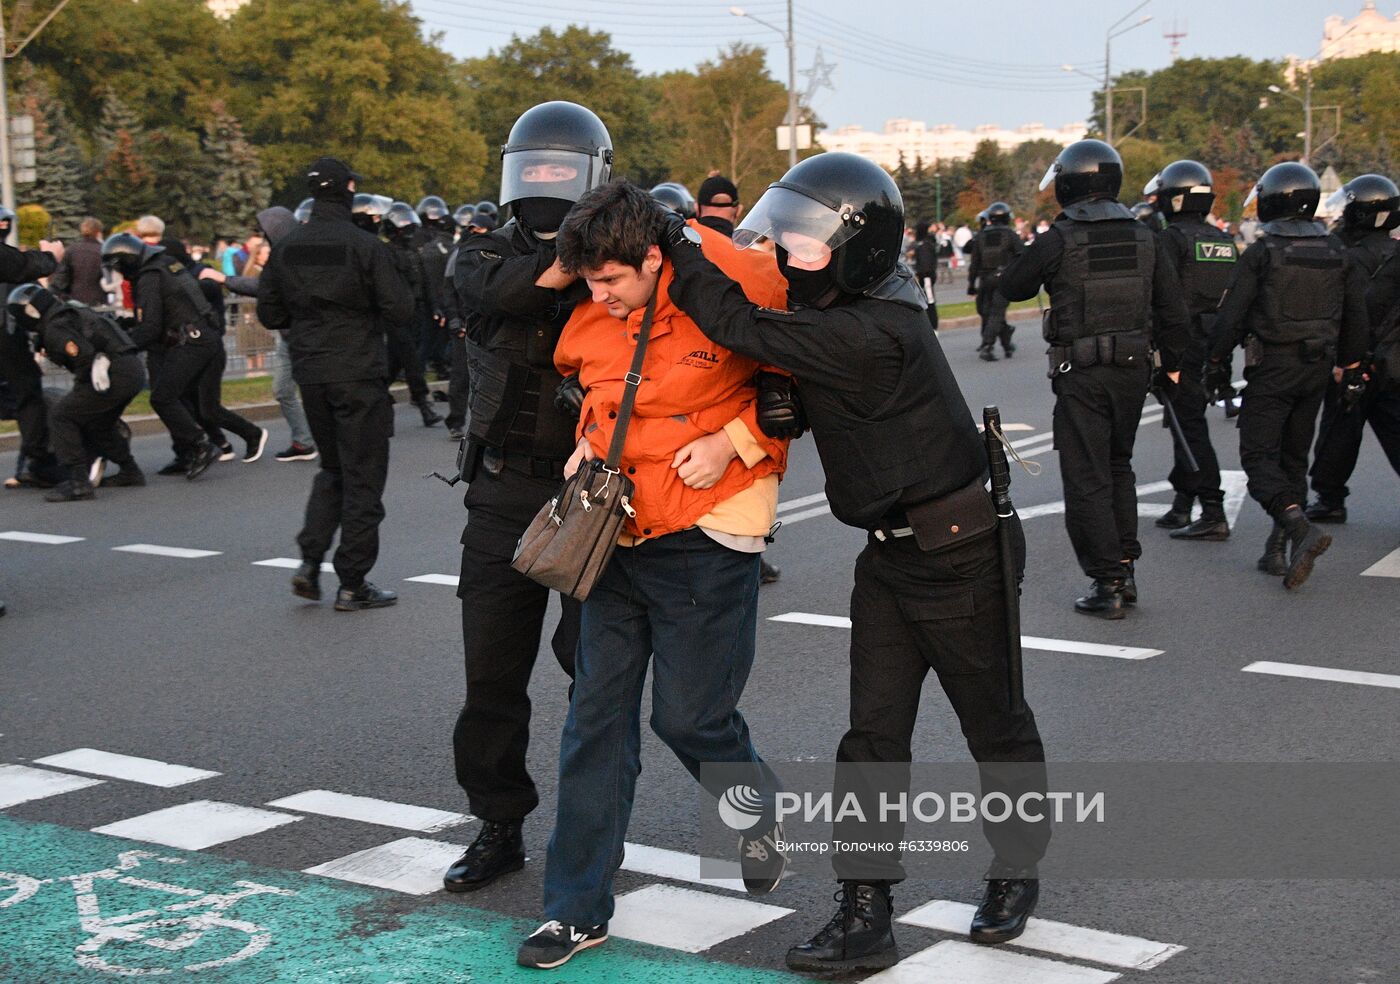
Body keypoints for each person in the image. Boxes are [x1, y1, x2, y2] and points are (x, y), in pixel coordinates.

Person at [663, 152, 1049, 972]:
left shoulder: (877, 329)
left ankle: (1017, 867)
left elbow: (735, 323)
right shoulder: (847, 320)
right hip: (889, 558)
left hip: (963, 553)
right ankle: (865, 911)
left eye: (805, 243)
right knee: (872, 740)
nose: (784, 254)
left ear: (859, 250)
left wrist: (679, 245)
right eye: (785, 235)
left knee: (995, 723)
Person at [516, 180, 792, 970]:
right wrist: (586, 440)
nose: (596, 298)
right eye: (587, 282)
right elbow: (593, 388)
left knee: (690, 719)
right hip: (616, 536)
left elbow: (804, 378)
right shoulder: (589, 318)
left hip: (707, 535)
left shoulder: (736, 286)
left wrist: (735, 443)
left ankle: (758, 815)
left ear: (650, 257)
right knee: (593, 722)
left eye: (609, 280)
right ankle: (575, 909)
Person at [442, 101, 604, 897]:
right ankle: (497, 823)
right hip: (504, 487)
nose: (544, 189)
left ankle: (588, 832)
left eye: (561, 175)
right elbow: (512, 292)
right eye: (532, 172)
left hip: (594, 493)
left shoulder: (629, 258)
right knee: (493, 674)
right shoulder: (477, 255)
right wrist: (586, 258)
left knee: (593, 674)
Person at [999, 140, 1190, 618]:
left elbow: (1012, 285)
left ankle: (1108, 582)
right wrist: (1173, 365)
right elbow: (1173, 309)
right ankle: (1125, 566)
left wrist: (1034, 249)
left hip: (1081, 374)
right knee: (1118, 467)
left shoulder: (1060, 238)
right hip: (1132, 371)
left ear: (1070, 182)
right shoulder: (1145, 235)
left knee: (1087, 477)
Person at [257, 156, 411, 611]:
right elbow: (400, 309)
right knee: (363, 478)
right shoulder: (365, 246)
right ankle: (352, 582)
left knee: (332, 470)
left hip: (312, 373)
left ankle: (309, 563)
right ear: (348, 188)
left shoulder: (288, 246)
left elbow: (269, 312)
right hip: (358, 372)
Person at [1205, 162, 1368, 588]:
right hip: (1317, 369)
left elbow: (1231, 316)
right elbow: (1356, 318)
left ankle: (1298, 529)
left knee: (1258, 457)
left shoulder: (1263, 253)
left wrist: (1216, 362)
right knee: (1295, 456)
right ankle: (1277, 551)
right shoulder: (1338, 252)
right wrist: (1351, 367)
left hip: (1273, 366)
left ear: (1273, 200)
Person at [1142, 160, 1237, 540]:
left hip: (1180, 345)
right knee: (1184, 420)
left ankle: (1212, 509)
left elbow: (1162, 301)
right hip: (1215, 344)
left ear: (1174, 199)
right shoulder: (1225, 241)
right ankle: (1183, 503)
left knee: (1189, 426)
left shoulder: (1170, 240)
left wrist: (1164, 355)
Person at [1305, 173, 1400, 522]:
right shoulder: (1395, 251)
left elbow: (1345, 311)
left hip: (1357, 359)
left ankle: (1330, 499)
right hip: (1393, 361)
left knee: (1338, 431)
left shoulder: (1348, 256)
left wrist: (1346, 357)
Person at [100, 233, 229, 480]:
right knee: (176, 396)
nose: (119, 273)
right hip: (198, 337)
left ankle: (200, 444)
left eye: (118, 266)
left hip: (191, 340)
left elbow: (150, 327)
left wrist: (120, 348)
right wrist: (127, 326)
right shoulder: (164, 264)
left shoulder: (150, 276)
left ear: (126, 260)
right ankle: (185, 452)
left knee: (163, 397)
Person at [199, 207, 318, 461]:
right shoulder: (286, 255)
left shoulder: (296, 256)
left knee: (314, 390)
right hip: (291, 336)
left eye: (267, 232)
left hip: (306, 335)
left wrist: (224, 279)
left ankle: (315, 440)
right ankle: (304, 442)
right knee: (284, 390)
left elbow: (264, 287)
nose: (264, 238)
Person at [6, 284, 145, 500]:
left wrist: (81, 387)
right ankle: (130, 471)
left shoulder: (55, 328)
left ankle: (78, 482)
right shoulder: (68, 311)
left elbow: (84, 358)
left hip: (110, 374)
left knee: (61, 416)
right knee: (99, 424)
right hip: (129, 368)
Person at [0, 210, 65, 488]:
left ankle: (31, 462)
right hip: (6, 335)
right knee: (28, 393)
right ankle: (37, 462)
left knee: (23, 395)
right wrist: (51, 256)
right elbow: (20, 265)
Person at [381, 202, 445, 427]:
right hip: (397, 315)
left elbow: (425, 284)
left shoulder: (413, 253)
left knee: (395, 360)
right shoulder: (387, 253)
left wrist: (434, 307)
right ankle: (424, 404)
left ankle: (378, 392)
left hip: (416, 313)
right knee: (411, 360)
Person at [442, 203, 498, 440]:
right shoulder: (458, 255)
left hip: (489, 327)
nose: (475, 235)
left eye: (480, 231)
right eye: (472, 230)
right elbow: (447, 291)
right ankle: (456, 422)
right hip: (464, 328)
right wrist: (454, 319)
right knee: (460, 378)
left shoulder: (499, 254)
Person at [967, 201, 1022, 361]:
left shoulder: (981, 236)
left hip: (985, 280)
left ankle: (1005, 344)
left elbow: (974, 263)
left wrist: (971, 284)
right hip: (1004, 279)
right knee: (995, 313)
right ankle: (988, 345)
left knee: (989, 312)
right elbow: (1022, 255)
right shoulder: (1010, 234)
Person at [51, 217, 107, 306]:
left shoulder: (72, 250)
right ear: (98, 232)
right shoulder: (104, 251)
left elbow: (61, 278)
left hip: (75, 300)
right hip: (99, 301)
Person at [912, 221, 942, 333]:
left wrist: (922, 275)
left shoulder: (924, 245)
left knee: (930, 301)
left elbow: (925, 265)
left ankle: (933, 326)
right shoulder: (927, 244)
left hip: (926, 278)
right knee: (926, 301)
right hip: (926, 277)